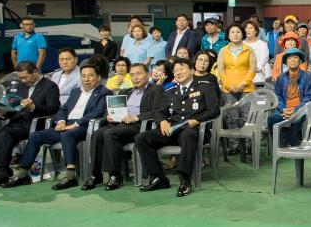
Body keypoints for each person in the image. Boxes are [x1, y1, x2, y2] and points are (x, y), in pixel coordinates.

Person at [3, 63, 109, 190]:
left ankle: (70, 176)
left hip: (85, 126)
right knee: (36, 136)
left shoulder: (104, 92)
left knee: (67, 134)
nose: (86, 79)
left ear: (98, 77)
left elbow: (97, 112)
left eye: (90, 76)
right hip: (66, 124)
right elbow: (63, 109)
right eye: (83, 76)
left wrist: (75, 124)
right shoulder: (75, 91)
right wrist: (61, 122)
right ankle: (23, 174)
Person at [134, 56, 221, 197]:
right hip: (173, 129)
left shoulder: (205, 86)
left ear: (192, 70)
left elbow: (214, 110)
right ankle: (158, 177)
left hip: (196, 130)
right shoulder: (170, 90)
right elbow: (159, 111)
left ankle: (185, 179)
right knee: (141, 138)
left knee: (188, 134)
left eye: (182, 69)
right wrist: (162, 121)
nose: (178, 73)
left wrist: (196, 120)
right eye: (175, 71)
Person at [84, 61, 167, 190]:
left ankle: (115, 175)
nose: (135, 78)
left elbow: (158, 111)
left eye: (138, 74)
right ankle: (95, 174)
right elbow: (110, 109)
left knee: (109, 134)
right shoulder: (126, 91)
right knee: (97, 134)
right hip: (119, 123)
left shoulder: (155, 89)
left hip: (138, 125)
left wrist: (136, 117)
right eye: (132, 75)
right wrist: (108, 116)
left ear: (148, 74)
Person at [269, 48, 311, 145]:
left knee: (295, 120)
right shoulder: (281, 78)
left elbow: (308, 97)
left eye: (295, 58)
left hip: (300, 110)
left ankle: (293, 145)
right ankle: (279, 145)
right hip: (285, 110)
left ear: (300, 61)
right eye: (290, 58)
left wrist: (295, 110)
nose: (293, 60)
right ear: (286, 62)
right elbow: (277, 96)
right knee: (271, 119)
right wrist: (283, 109)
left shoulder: (307, 77)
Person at [242, 20, 270, 84]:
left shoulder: (262, 44)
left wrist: (253, 70)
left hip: (258, 76)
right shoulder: (241, 44)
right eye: (246, 28)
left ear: (256, 31)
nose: (247, 30)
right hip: (243, 76)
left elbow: (264, 59)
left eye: (250, 28)